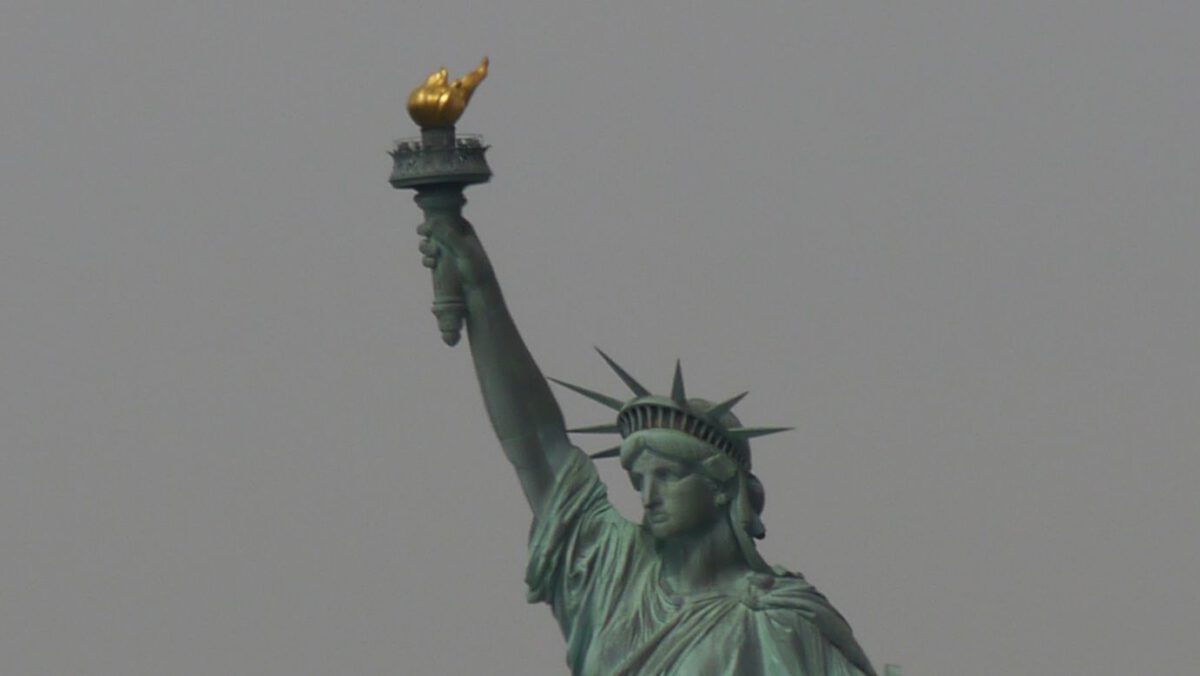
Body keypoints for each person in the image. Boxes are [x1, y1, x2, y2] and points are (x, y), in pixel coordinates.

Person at [417, 215, 876, 675]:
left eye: (668, 476)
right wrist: (482, 293)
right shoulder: (612, 571)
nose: (649, 496)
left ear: (720, 486)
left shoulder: (779, 620)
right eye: (639, 481)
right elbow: (536, 442)